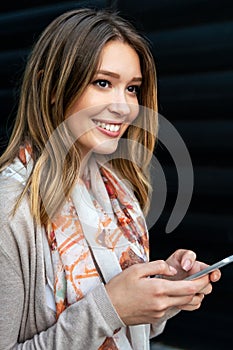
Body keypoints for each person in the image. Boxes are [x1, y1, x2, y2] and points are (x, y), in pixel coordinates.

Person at [0, 8, 221, 350]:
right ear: (52, 86)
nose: (124, 107)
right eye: (103, 83)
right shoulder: (9, 210)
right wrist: (111, 308)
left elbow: (131, 332)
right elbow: (107, 315)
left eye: (132, 88)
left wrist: (163, 294)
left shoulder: (116, 192)